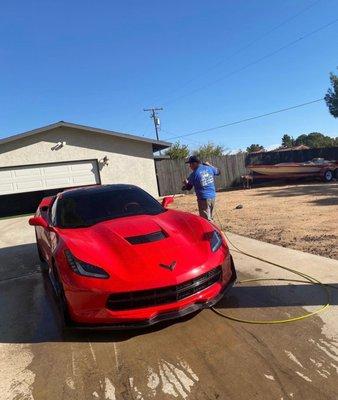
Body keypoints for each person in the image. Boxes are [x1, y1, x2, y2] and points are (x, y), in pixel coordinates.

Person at [182, 155, 220, 221]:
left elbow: (188, 187)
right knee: (210, 217)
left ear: (195, 163)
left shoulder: (194, 174)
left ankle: (210, 231)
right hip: (212, 196)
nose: (190, 166)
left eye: (190, 164)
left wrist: (185, 183)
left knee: (205, 220)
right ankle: (213, 229)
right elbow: (219, 172)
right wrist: (210, 165)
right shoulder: (209, 168)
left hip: (203, 199)